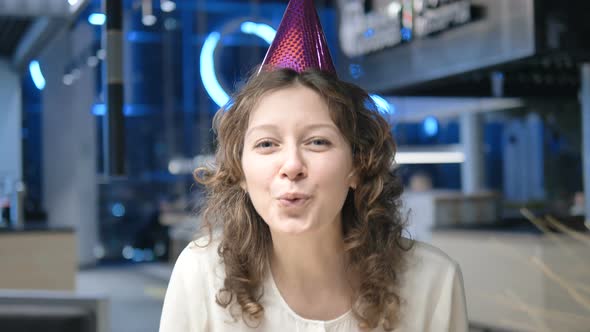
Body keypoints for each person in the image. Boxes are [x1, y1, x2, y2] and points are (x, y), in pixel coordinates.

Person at [159, 0, 468, 331]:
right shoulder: (201, 276)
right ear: (241, 172)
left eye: (317, 142)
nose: (292, 165)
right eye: (267, 144)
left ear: (356, 166)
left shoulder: (431, 282)